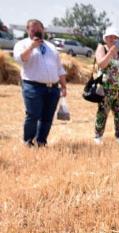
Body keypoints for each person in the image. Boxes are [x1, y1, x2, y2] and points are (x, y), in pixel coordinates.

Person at [13, 19, 67, 147]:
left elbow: (59, 68)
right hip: (33, 86)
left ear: (43, 30)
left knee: (47, 118)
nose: (36, 32)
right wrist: (32, 46)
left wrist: (64, 86)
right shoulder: (22, 44)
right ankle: (28, 141)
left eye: (38, 30)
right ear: (28, 31)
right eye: (33, 30)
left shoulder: (51, 47)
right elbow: (21, 59)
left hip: (53, 88)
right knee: (33, 115)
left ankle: (41, 142)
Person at [93, 27, 119, 144]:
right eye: (109, 37)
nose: (112, 39)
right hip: (105, 88)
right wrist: (110, 52)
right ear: (105, 38)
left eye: (114, 37)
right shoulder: (101, 48)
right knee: (103, 112)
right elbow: (101, 64)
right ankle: (98, 136)